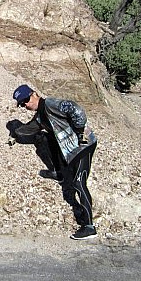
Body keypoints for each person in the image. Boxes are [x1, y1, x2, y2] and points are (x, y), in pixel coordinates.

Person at [11, 84, 98, 240]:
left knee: (79, 183)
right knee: (44, 139)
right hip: (71, 151)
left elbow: (76, 109)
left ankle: (89, 226)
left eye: (25, 100)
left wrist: (78, 132)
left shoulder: (51, 104)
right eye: (21, 104)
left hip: (83, 146)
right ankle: (59, 173)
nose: (25, 105)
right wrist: (14, 134)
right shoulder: (40, 117)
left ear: (34, 94)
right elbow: (29, 129)